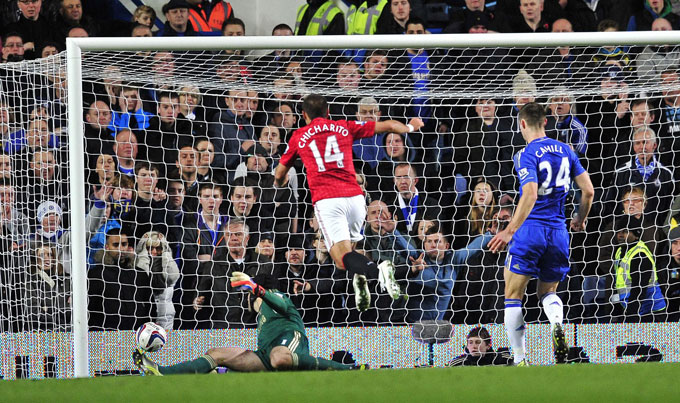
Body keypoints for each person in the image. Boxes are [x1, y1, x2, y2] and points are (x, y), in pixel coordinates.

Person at [274, 94, 424, 312]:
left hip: (328, 200)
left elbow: (279, 173)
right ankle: (361, 278)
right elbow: (389, 126)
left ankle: (379, 271)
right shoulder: (344, 126)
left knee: (341, 258)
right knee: (351, 252)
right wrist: (410, 127)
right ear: (328, 112)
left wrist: (279, 182)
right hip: (355, 199)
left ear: (304, 115)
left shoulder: (299, 136)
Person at [488, 102, 594, 365]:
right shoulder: (566, 150)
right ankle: (556, 323)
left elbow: (531, 194)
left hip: (530, 231)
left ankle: (520, 359)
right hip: (558, 232)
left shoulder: (525, 154)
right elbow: (588, 191)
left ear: (522, 124)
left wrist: (509, 231)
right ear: (546, 122)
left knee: (513, 295)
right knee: (548, 291)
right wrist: (580, 218)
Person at [134, 272, 367, 374]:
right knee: (216, 353)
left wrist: (257, 289)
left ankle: (347, 369)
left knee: (280, 357)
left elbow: (281, 304)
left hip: (288, 344)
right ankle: (162, 371)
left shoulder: (274, 296)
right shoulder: (261, 312)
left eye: (248, 294)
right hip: (265, 355)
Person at [610, 215, 667, 322]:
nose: (620, 235)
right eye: (618, 231)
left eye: (625, 231)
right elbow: (619, 283)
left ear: (636, 235)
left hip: (652, 312)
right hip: (632, 309)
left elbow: (639, 289)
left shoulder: (640, 255)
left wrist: (631, 317)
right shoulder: (620, 251)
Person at [447, 326, 512, 366]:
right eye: (470, 343)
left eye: (478, 342)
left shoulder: (503, 360)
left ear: (488, 346)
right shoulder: (457, 364)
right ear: (467, 346)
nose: (474, 346)